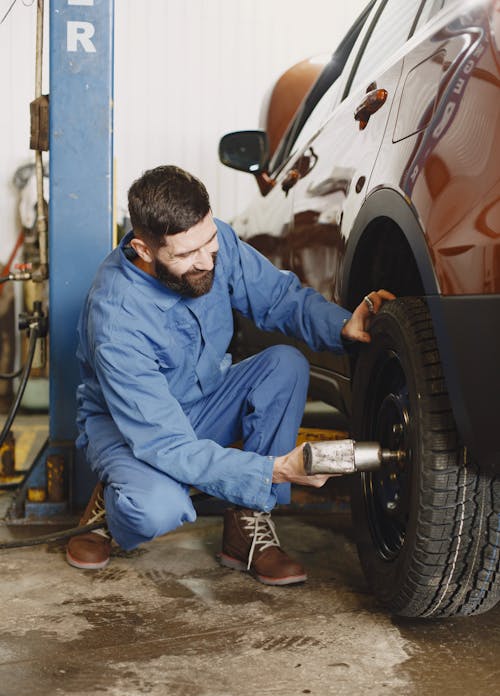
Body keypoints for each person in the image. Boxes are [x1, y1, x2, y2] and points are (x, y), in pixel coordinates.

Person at [67, 165, 393, 585]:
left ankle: (246, 526)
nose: (206, 261)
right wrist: (275, 470)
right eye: (186, 255)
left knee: (284, 365)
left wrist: (342, 324)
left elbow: (277, 296)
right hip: (133, 427)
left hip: (205, 400)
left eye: (209, 242)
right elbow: (166, 442)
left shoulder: (209, 241)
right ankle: (110, 508)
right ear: (145, 250)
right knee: (157, 507)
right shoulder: (116, 318)